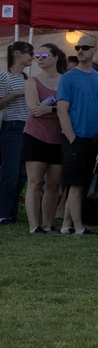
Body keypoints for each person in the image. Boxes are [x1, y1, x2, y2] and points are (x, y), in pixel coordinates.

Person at [56, 35, 98, 236]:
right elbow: (62, 110)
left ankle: (66, 225)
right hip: (75, 137)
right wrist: (72, 138)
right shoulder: (68, 78)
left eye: (85, 47)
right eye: (78, 47)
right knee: (76, 183)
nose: (80, 51)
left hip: (94, 138)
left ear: (94, 50)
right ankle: (78, 228)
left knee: (81, 183)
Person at [22, 42, 67, 234]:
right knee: (35, 182)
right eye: (37, 57)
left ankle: (48, 224)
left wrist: (51, 109)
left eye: (44, 56)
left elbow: (70, 110)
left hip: (58, 137)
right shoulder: (32, 82)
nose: (39, 59)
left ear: (55, 58)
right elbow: (35, 111)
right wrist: (58, 111)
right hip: (36, 135)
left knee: (54, 183)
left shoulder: (66, 81)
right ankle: (34, 226)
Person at [0, 40, 34, 225]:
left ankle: (11, 213)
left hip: (27, 127)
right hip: (11, 127)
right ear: (17, 54)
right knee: (10, 173)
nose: (33, 56)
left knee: (22, 174)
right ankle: (3, 212)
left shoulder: (27, 78)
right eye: (29, 52)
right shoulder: (4, 77)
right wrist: (16, 94)